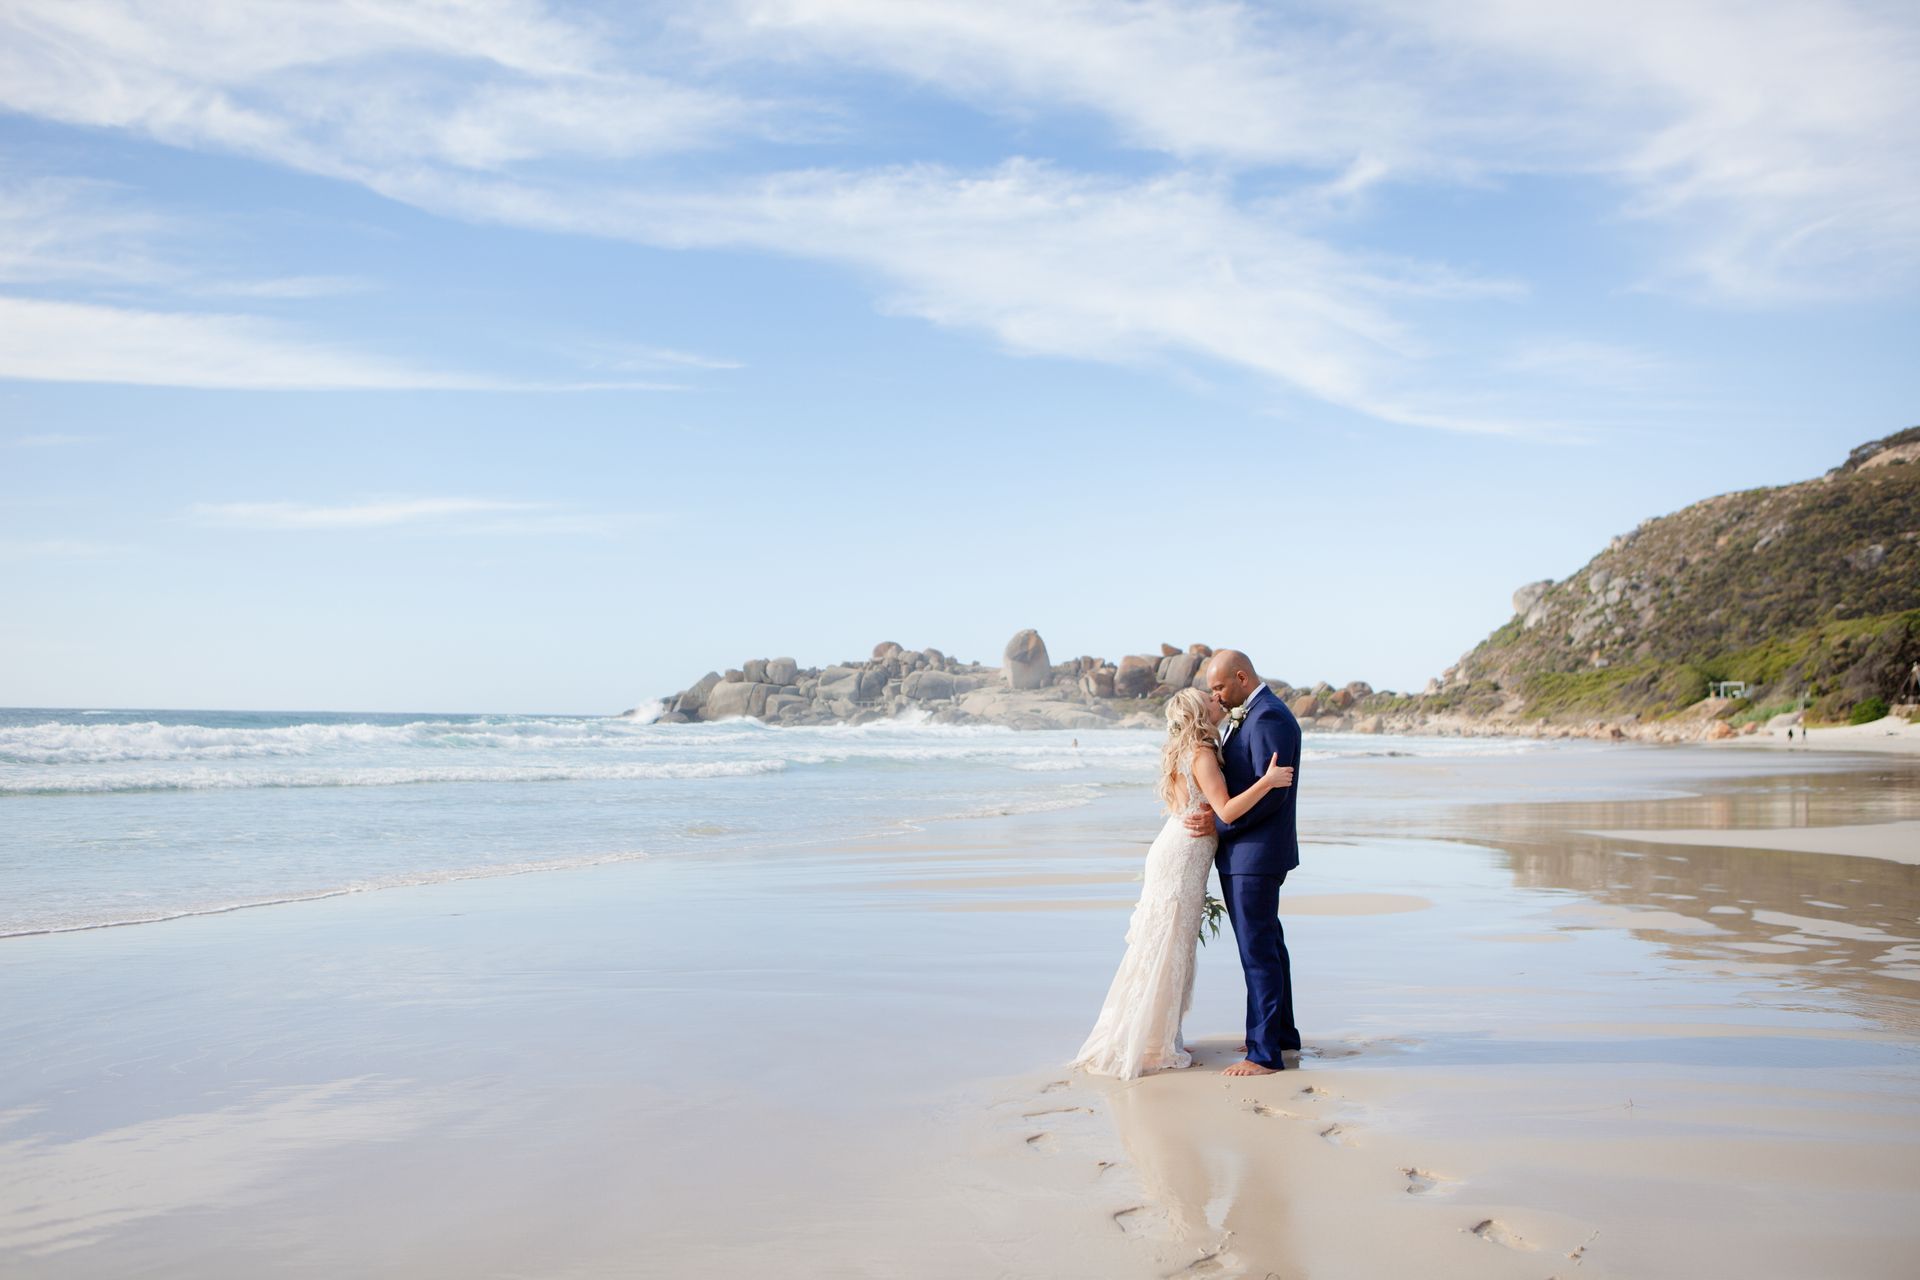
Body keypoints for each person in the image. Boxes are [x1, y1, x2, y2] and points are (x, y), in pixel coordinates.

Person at [1073, 687, 1293, 1080]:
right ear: (1199, 713)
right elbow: (1225, 809)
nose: (1217, 700)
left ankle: (1160, 1034)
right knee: (1168, 943)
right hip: (1182, 857)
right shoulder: (1203, 754)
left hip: (1176, 848)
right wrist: (1267, 781)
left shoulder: (1185, 749)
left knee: (1168, 943)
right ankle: (1151, 1037)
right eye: (1209, 699)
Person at [1183, 649, 1303, 1076]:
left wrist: (1218, 825)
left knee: (1258, 953)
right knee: (1269, 945)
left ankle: (1264, 1053)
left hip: (1255, 855)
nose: (1216, 695)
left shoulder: (1267, 716)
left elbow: (1273, 793)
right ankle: (1280, 1035)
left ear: (1242, 677)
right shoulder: (1254, 714)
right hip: (1254, 853)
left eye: (1219, 687)